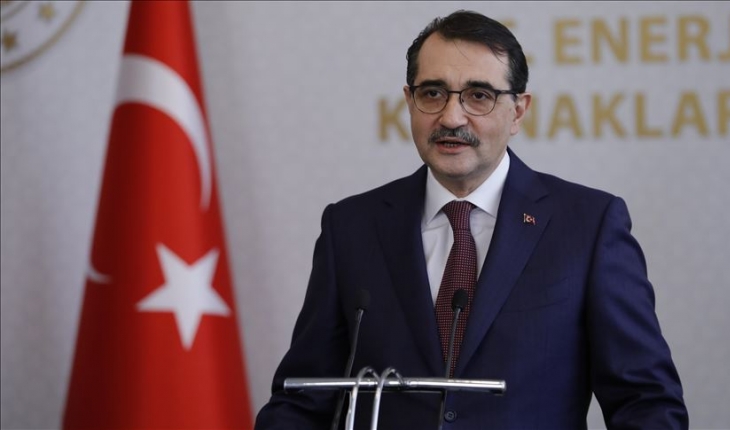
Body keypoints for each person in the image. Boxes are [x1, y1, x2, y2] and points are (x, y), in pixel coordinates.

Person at [254, 10, 688, 430]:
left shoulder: (588, 226)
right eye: (432, 93)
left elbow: (645, 402)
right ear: (409, 102)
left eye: (479, 96)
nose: (451, 117)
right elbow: (303, 399)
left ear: (518, 111)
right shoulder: (351, 227)